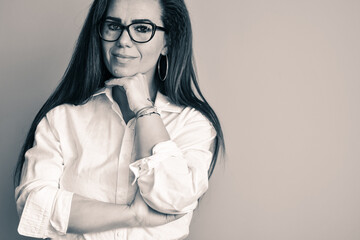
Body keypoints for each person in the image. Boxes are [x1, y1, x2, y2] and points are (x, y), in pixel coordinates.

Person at [14, 0, 225, 239]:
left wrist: (144, 109)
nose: (123, 40)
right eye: (113, 26)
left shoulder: (193, 123)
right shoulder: (62, 119)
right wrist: (132, 215)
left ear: (168, 41)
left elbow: (172, 197)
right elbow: (33, 206)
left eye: (142, 28)